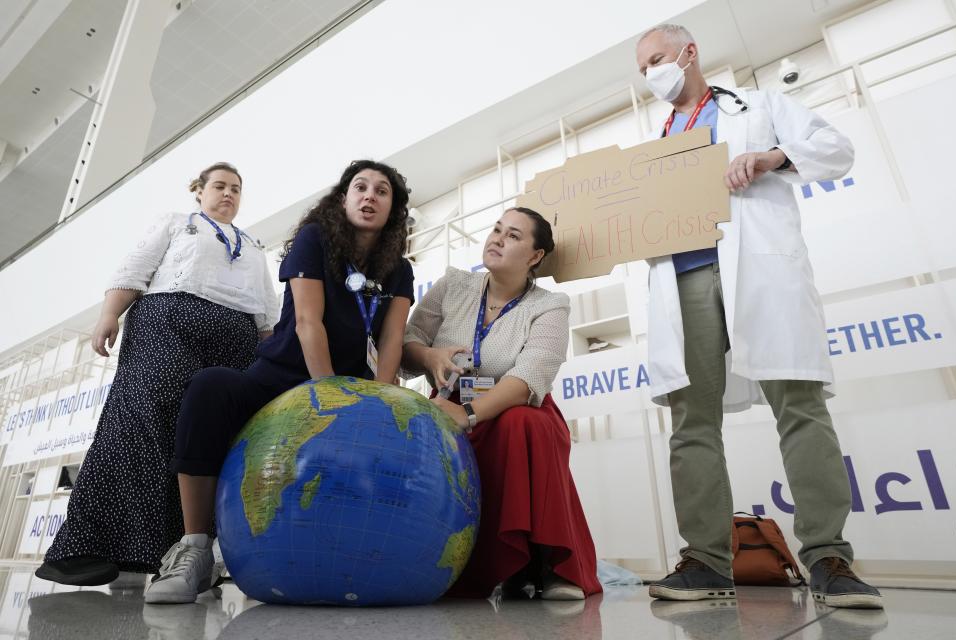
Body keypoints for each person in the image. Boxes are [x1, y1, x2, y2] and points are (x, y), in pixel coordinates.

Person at [635, 24, 882, 608]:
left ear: (689, 54)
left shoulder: (761, 106)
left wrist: (772, 156)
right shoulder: (659, 143)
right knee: (691, 419)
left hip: (758, 269)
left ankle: (828, 558)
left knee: (799, 404)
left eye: (656, 60)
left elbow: (836, 149)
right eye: (642, 69)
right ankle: (705, 562)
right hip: (685, 277)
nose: (650, 75)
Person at [144, 160, 414, 604]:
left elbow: (392, 337)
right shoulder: (314, 241)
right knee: (209, 387)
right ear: (342, 199)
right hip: (283, 376)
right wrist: (325, 393)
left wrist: (380, 397)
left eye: (381, 191)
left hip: (352, 385)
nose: (369, 196)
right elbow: (309, 322)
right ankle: (194, 551)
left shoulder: (398, 269)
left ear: (393, 208)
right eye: (360, 187)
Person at [37, 163, 279, 586]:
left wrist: (269, 350)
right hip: (168, 323)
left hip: (236, 339)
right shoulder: (175, 224)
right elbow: (135, 268)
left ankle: (192, 553)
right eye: (219, 186)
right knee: (143, 423)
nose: (228, 194)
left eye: (236, 189)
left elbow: (267, 311)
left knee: (213, 435)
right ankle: (86, 549)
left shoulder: (254, 246)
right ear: (199, 192)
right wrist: (109, 315)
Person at [402, 206, 601, 601]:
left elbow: (529, 378)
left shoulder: (550, 305)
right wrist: (430, 357)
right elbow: (408, 345)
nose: (497, 239)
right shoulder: (453, 284)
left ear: (535, 256)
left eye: (512, 236)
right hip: (447, 405)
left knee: (523, 424)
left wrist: (469, 413)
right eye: (496, 230)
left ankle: (547, 565)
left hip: (509, 409)